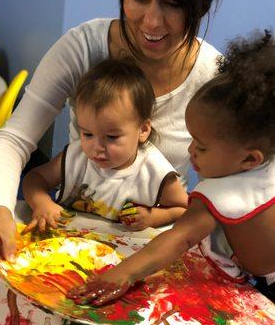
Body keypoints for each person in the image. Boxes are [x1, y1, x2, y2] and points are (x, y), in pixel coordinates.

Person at [0, 0, 225, 267]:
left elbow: (219, 195)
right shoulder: (83, 47)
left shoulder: (213, 75)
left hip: (155, 250)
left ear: (201, 4)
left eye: (173, 3)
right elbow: (13, 140)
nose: (151, 22)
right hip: (66, 245)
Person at [68, 32, 275, 304]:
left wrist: (119, 275)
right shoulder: (267, 161)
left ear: (250, 160)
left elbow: (175, 240)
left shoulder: (218, 196)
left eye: (201, 147)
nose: (190, 152)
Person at [22, 58, 188, 233]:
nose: (97, 147)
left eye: (111, 136)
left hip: (126, 253)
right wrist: (43, 203)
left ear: (143, 130)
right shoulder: (77, 156)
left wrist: (153, 217)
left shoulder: (153, 170)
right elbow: (34, 179)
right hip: (67, 244)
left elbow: (185, 208)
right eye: (87, 134)